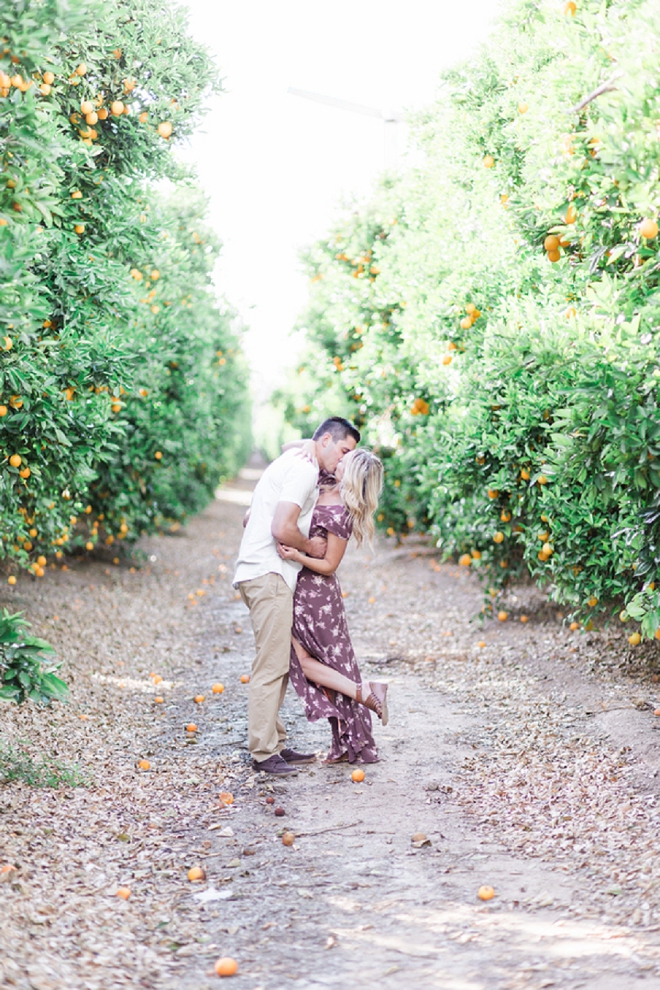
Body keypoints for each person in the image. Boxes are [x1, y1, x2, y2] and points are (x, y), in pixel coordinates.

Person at [233, 417, 359, 776]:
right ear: (326, 441)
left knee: (279, 664)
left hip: (262, 572)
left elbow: (301, 445)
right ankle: (262, 753)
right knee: (271, 667)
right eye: (344, 450)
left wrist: (312, 445)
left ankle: (275, 743)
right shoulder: (305, 472)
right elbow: (280, 528)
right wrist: (312, 546)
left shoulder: (298, 460)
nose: (345, 459)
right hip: (269, 573)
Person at [277, 447, 388, 764]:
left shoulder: (342, 513)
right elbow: (291, 450)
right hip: (298, 588)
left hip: (319, 595)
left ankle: (352, 737)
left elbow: (329, 564)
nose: (339, 459)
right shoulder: (320, 482)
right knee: (303, 661)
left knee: (327, 664)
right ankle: (364, 693)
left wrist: (299, 556)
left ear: (352, 473)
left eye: (345, 460)